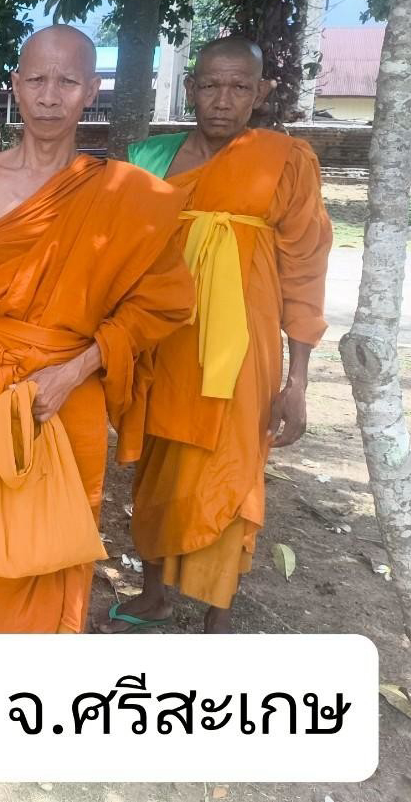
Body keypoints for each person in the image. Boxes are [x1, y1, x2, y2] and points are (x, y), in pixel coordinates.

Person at [0, 26, 195, 633]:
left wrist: (74, 371)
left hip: (69, 393)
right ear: (15, 86)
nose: (50, 95)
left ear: (91, 90)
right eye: (37, 80)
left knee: (56, 544)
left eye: (68, 81)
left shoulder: (123, 194)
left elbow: (163, 303)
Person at [100, 36, 332, 634]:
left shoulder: (286, 161)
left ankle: (217, 612)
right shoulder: (150, 160)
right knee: (159, 465)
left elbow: (305, 270)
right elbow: (118, 253)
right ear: (190, 89)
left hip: (243, 351)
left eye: (239, 87)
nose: (223, 100)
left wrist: (298, 380)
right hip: (164, 340)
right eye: (209, 86)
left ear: (261, 92)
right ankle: (154, 593)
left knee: (231, 466)